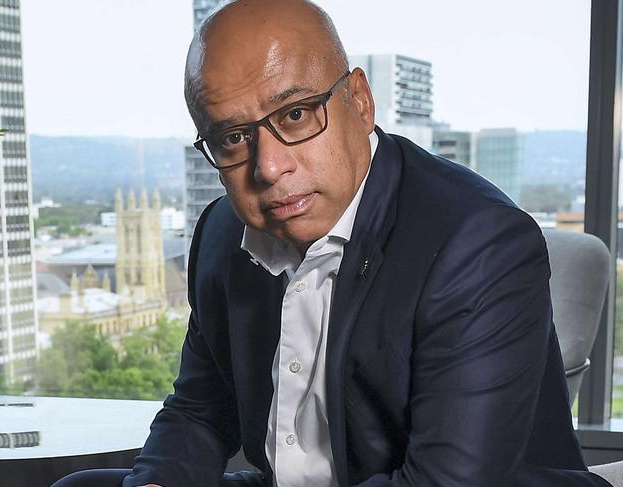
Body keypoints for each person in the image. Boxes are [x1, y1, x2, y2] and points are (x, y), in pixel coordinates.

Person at [53, 1, 612, 486]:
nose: (269, 167)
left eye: (295, 114)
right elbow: (200, 411)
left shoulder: (478, 242)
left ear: (360, 101)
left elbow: (449, 481)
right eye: (233, 137)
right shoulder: (223, 234)